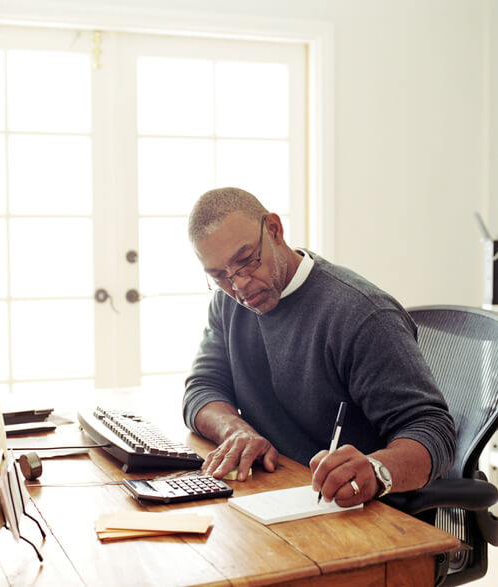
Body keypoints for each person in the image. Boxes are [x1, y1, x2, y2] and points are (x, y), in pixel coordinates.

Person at [182, 187, 456, 506]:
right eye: (220, 276)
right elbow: (202, 389)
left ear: (274, 230)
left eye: (246, 261)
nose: (238, 285)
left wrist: (375, 470)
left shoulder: (362, 314)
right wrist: (235, 431)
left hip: (358, 509)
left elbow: (434, 430)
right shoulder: (228, 304)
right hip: (276, 493)